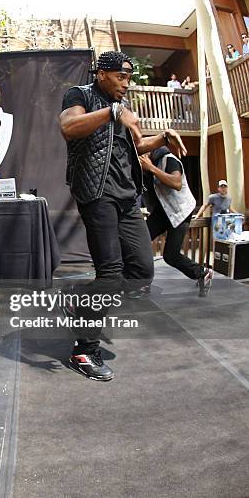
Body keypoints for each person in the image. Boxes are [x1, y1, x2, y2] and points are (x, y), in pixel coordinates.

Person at [59, 50, 187, 382]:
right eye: (122, 77)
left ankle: (79, 299)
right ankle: (84, 350)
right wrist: (112, 112)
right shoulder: (81, 95)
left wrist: (162, 139)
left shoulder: (123, 108)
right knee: (111, 274)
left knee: (143, 271)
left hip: (128, 196)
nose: (126, 84)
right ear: (102, 73)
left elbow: (135, 146)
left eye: (129, 78)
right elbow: (69, 127)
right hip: (96, 195)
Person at [139, 148, 213, 296]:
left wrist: (151, 168)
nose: (141, 157)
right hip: (163, 211)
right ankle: (140, 282)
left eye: (143, 153)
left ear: (150, 152)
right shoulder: (144, 167)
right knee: (139, 242)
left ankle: (202, 273)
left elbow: (177, 182)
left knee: (170, 255)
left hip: (181, 211)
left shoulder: (169, 159)